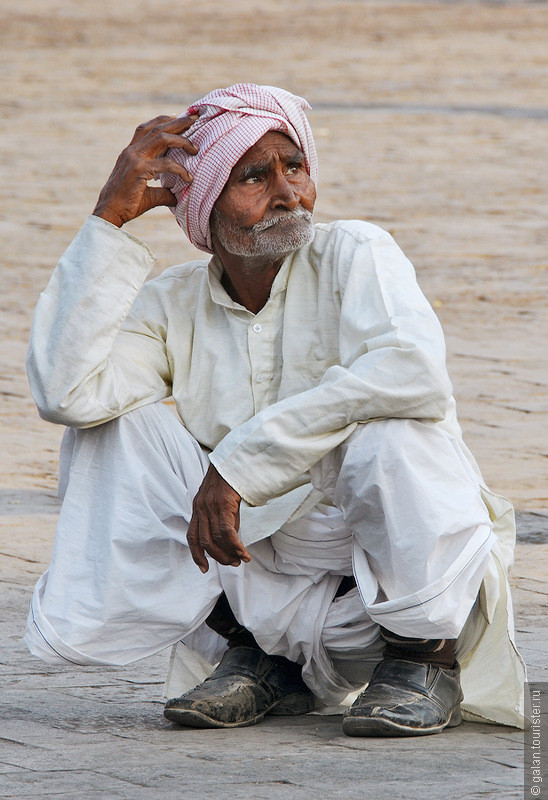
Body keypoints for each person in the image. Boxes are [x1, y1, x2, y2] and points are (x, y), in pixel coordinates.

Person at [25, 84, 526, 736]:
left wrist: (240, 461)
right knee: (109, 427)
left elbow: (413, 372)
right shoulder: (173, 303)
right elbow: (66, 391)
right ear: (203, 202)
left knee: (393, 432)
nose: (288, 193)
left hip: (388, 594)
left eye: (295, 167)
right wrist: (107, 222)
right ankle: (256, 658)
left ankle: (423, 664)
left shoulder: (356, 253)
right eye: (254, 176)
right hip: (262, 595)